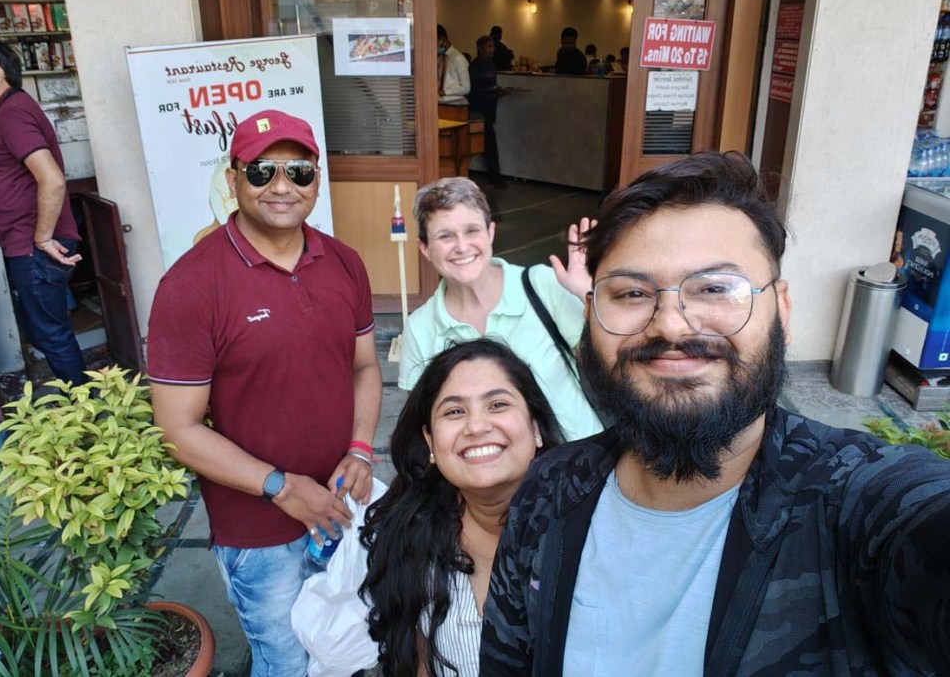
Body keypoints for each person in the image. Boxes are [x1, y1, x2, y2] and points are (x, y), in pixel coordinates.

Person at [481, 152, 950, 675]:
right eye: (632, 292)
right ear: (590, 314)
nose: (672, 325)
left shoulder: (855, 505)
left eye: (715, 288)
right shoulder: (547, 492)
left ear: (782, 310)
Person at [148, 109, 382, 677]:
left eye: (299, 172)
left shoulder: (344, 262)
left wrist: (359, 448)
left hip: (341, 505)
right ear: (233, 179)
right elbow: (176, 429)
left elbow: (365, 367)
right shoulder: (190, 285)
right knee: (287, 663)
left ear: (316, 181)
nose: (282, 186)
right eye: (262, 171)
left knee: (348, 645)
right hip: (258, 532)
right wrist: (280, 487)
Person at [362, 339, 564, 677]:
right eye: (454, 411)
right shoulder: (412, 538)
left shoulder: (589, 530)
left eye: (497, 405)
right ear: (430, 441)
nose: (476, 426)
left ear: (535, 428)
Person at [398, 177, 604, 441]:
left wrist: (589, 295)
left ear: (491, 233)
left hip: (580, 457)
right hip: (493, 465)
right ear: (425, 248)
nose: (462, 247)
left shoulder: (541, 285)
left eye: (472, 231)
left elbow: (607, 367)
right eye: (445, 236)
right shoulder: (420, 328)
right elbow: (425, 424)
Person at [0, 38, 86, 385]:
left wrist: (42, 238)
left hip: (34, 247)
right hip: (27, 245)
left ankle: (89, 407)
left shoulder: (12, 114)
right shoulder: (6, 111)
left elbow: (52, 180)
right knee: (45, 330)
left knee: (52, 334)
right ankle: (79, 399)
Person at [468, 35, 504, 189]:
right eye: (489, 47)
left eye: (493, 47)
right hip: (479, 109)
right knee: (487, 144)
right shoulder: (475, 67)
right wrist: (491, 92)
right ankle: (495, 177)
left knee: (488, 143)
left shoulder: (490, 64)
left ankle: (494, 177)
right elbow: (473, 90)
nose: (492, 50)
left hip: (488, 109)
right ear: (480, 48)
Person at [437, 24, 470, 98]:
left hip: (455, 103)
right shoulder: (441, 58)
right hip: (441, 101)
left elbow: (466, 88)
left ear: (443, 40)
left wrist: (445, 92)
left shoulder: (458, 58)